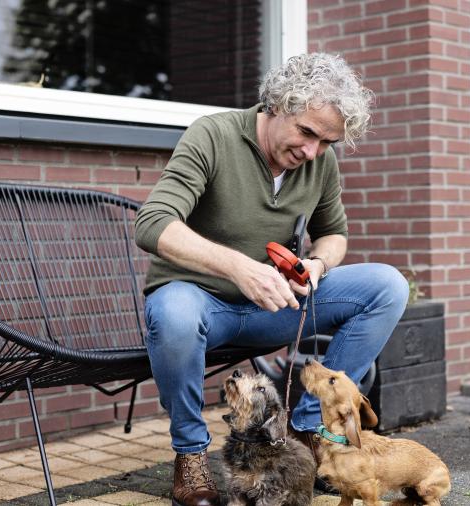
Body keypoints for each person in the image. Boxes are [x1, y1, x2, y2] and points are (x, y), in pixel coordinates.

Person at [134, 52, 409, 506]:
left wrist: (317, 265)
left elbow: (334, 234)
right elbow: (153, 223)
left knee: (388, 286)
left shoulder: (318, 162)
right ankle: (190, 455)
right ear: (277, 104)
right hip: (205, 306)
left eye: (326, 142)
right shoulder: (213, 135)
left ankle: (304, 432)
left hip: (277, 306)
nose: (311, 152)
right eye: (306, 133)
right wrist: (239, 268)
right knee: (173, 312)